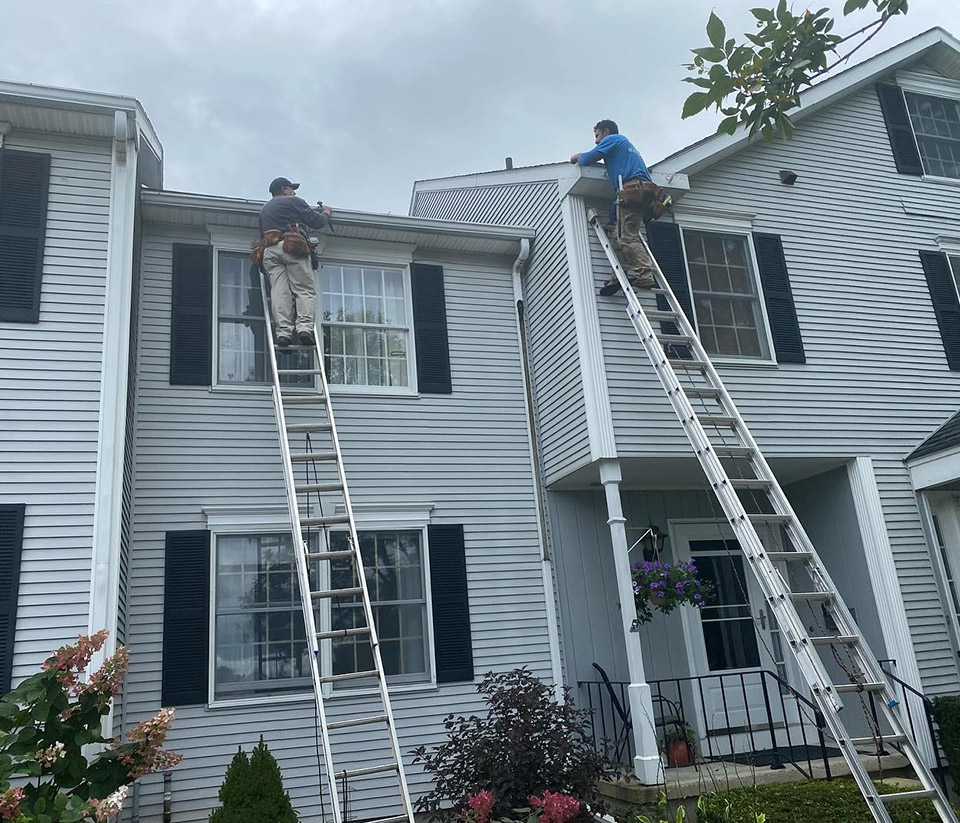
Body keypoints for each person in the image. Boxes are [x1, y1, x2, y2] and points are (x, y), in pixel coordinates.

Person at [571, 120, 664, 295]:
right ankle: (619, 275)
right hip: (641, 191)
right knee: (618, 234)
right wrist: (613, 218)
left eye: (597, 135)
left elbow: (588, 158)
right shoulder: (625, 145)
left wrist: (577, 156)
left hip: (631, 189)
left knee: (626, 237)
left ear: (606, 131)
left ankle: (644, 274)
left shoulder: (614, 139)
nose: (596, 141)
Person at [257, 177, 333, 347]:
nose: (294, 191)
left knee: (279, 291)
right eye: (292, 188)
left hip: (270, 251)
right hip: (293, 247)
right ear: (284, 189)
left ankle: (283, 332)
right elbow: (317, 221)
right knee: (304, 289)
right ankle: (304, 328)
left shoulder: (264, 210)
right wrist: (326, 212)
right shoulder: (294, 201)